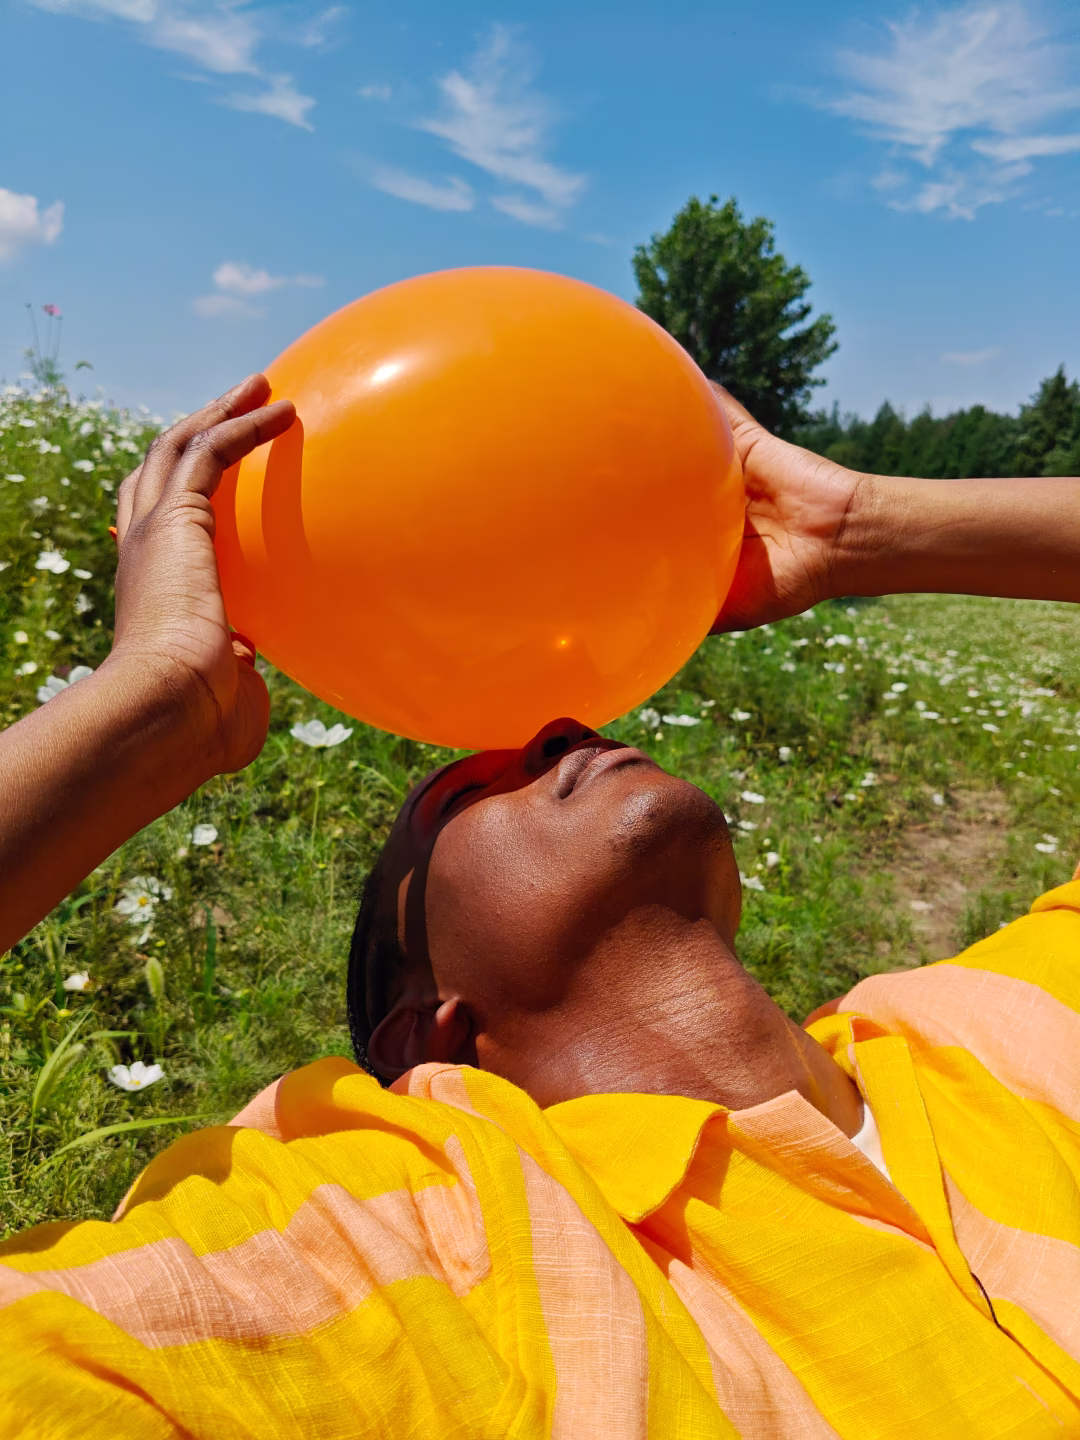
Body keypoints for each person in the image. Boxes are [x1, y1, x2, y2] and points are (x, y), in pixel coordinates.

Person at [2, 373, 1080, 1438]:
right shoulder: (398, 1253)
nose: (561, 729)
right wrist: (154, 702)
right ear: (429, 1036)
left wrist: (857, 530)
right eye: (460, 793)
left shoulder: (990, 1024)